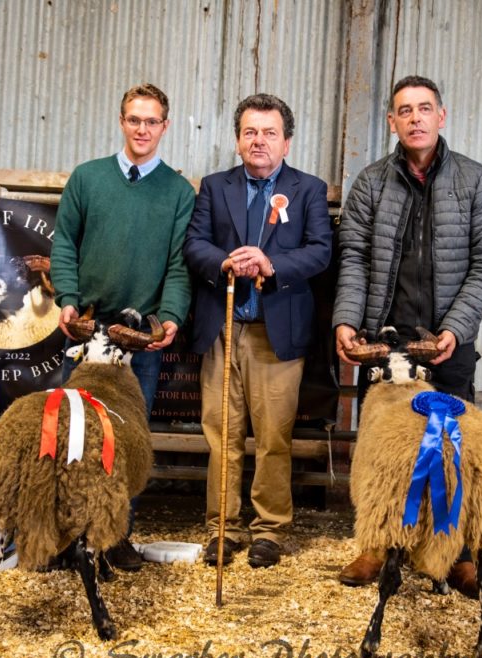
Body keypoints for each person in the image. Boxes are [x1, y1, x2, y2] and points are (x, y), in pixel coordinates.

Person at [332, 75, 482, 594]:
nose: (414, 118)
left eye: (423, 108)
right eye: (404, 110)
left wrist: (457, 327)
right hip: (385, 339)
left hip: (447, 340)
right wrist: (347, 319)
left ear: (441, 116)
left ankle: (456, 554)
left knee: (454, 447)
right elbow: (355, 257)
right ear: (392, 121)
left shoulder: (474, 181)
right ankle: (376, 543)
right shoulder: (370, 183)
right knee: (380, 450)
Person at [50, 83, 195, 572]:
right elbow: (64, 244)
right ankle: (67, 536)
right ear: (121, 121)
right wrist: (67, 299)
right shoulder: (88, 179)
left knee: (129, 438)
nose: (142, 129)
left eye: (152, 121)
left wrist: (171, 314)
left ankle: (116, 536)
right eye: (135, 119)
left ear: (165, 127)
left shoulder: (177, 192)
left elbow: (179, 263)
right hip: (87, 329)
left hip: (138, 337)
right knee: (75, 433)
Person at [184, 93, 332, 568]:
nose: (259, 141)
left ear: (286, 142)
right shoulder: (213, 186)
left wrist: (272, 263)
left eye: (269, 133)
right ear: (237, 139)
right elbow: (195, 244)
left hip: (277, 332)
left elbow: (320, 252)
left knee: (273, 437)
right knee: (222, 435)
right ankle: (222, 529)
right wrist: (224, 261)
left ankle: (269, 529)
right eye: (250, 132)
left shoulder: (308, 189)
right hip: (223, 328)